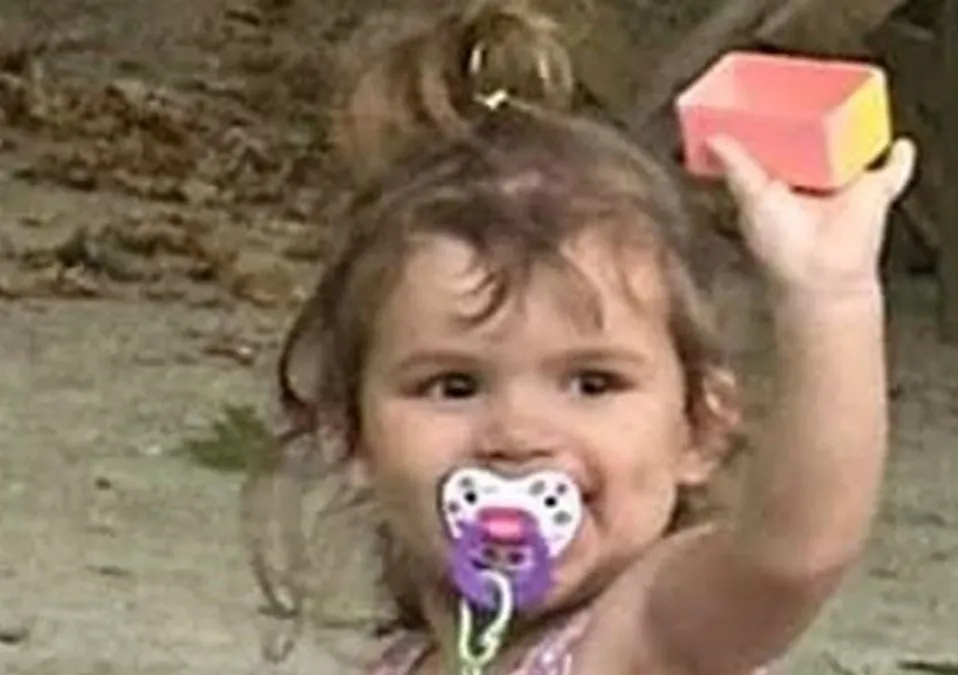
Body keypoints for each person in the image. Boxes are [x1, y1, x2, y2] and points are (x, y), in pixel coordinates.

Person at [245, 0, 917, 673]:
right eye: (453, 385)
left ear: (700, 427)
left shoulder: (646, 634)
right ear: (350, 434)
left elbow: (793, 555)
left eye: (592, 383)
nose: (517, 434)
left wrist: (829, 296)